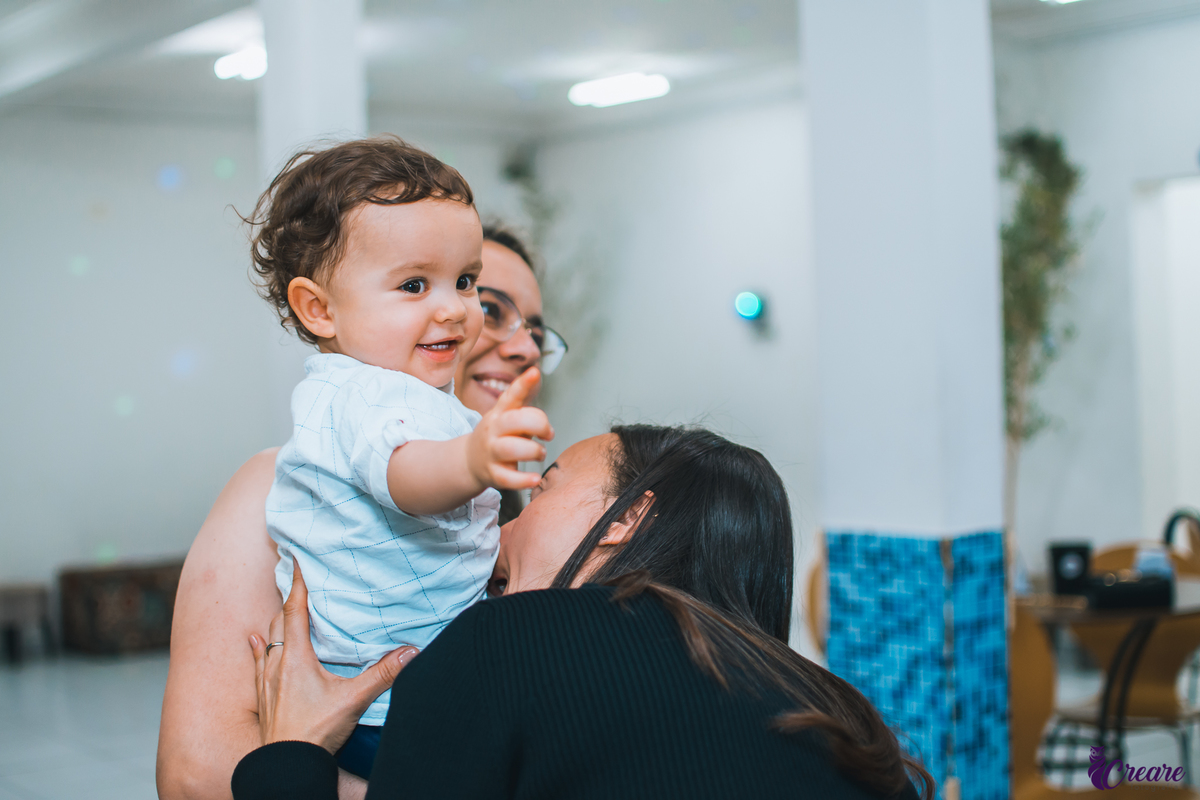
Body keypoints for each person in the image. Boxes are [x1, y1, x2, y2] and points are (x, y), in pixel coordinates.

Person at [232, 426, 934, 800]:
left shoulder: (504, 643)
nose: (494, 534)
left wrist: (287, 759)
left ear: (629, 517)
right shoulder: (835, 707)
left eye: (539, 494)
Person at [156, 178, 559, 799]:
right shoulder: (292, 472)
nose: (520, 344)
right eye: (415, 286)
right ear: (323, 309)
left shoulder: (520, 488)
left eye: (468, 284)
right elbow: (193, 776)